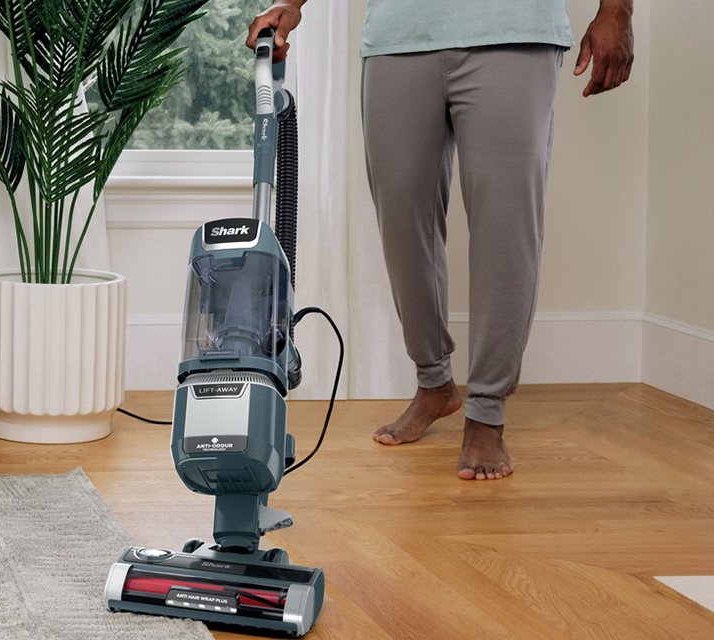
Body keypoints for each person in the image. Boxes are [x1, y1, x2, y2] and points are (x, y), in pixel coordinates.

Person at [246, 1, 634, 480]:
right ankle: (435, 383)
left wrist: (617, 9)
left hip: (513, 32)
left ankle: (487, 411)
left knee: (505, 228)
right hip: (398, 35)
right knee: (402, 220)